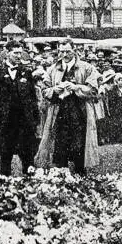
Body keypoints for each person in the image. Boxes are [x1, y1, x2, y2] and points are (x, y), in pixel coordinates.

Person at [35, 40, 99, 175]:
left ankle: (81, 175)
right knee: (59, 145)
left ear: (74, 50)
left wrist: (77, 87)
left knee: (79, 145)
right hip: (59, 112)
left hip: (80, 111)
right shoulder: (52, 69)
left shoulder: (86, 67)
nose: (64, 54)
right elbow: (44, 90)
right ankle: (61, 177)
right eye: (62, 51)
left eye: (68, 51)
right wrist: (54, 90)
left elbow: (93, 90)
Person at [0, 45, 40, 175]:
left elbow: (32, 98)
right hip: (5, 120)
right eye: (15, 53)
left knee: (27, 153)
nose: (18, 56)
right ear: (7, 53)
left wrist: (35, 119)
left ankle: (30, 180)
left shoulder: (26, 72)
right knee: (6, 153)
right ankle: (5, 182)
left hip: (24, 120)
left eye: (20, 53)